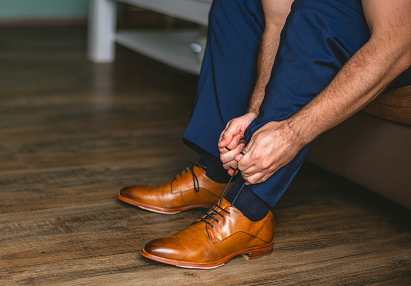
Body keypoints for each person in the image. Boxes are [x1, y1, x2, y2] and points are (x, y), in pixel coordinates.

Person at [118, 0, 411, 269]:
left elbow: (397, 42)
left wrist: (291, 134)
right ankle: (217, 172)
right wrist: (256, 113)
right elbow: (277, 21)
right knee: (238, 4)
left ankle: (248, 210)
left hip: (397, 36)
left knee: (320, 13)